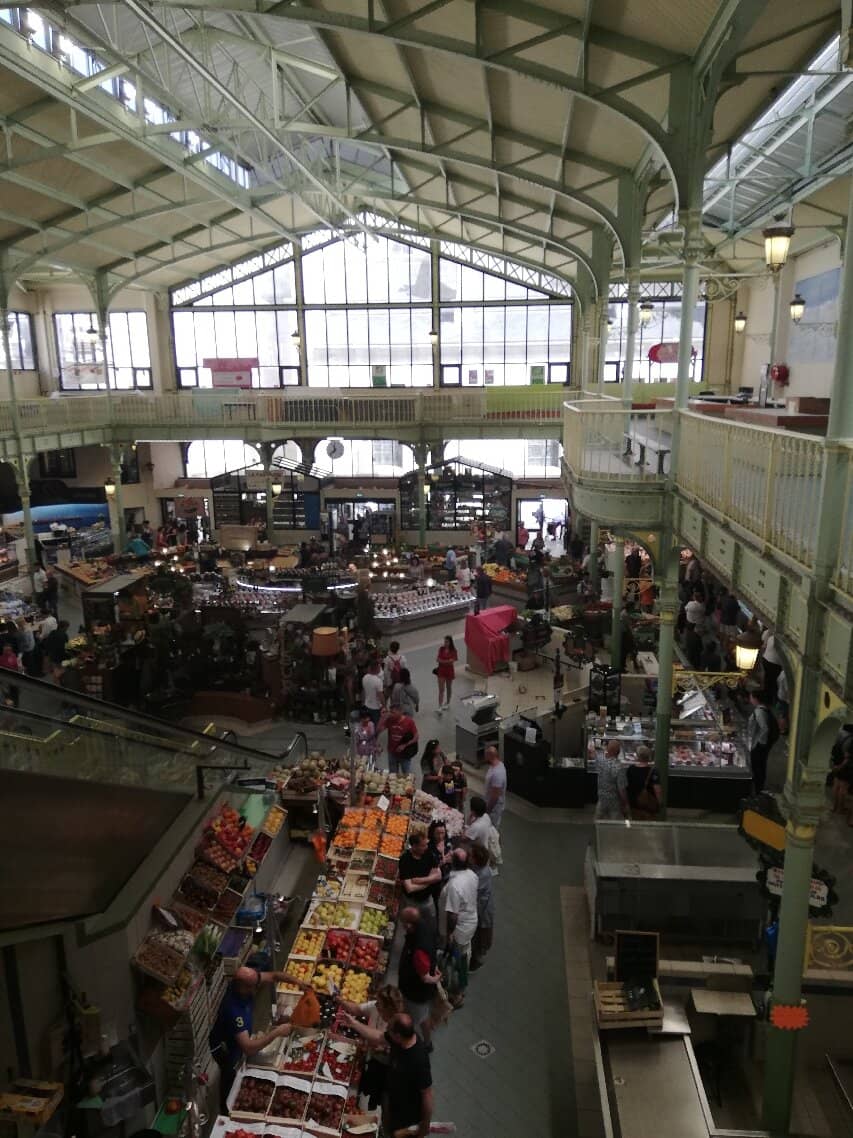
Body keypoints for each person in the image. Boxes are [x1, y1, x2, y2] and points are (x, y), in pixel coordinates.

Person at [209, 965, 295, 1109]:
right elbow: (248, 1048)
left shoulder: (248, 982)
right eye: (251, 987)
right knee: (230, 1079)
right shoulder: (233, 1010)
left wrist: (300, 983)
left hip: (240, 1040)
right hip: (227, 1049)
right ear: (241, 986)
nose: (255, 990)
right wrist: (277, 1032)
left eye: (256, 985)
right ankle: (225, 1110)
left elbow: (274, 975)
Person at [353, 1013, 433, 1138]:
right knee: (388, 1129)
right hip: (393, 1099)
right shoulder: (402, 1039)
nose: (386, 1030)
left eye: (389, 1029)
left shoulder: (419, 1060)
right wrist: (353, 1023)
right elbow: (378, 1036)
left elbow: (427, 1094)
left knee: (397, 1134)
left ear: (397, 1036)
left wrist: (425, 1124)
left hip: (407, 1112)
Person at [338, 985, 404, 1109]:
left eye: (379, 1004)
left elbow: (385, 1040)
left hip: (387, 1065)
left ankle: (376, 1108)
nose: (376, 1005)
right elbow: (357, 1009)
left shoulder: (398, 1024)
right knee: (368, 1082)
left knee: (380, 1092)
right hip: (373, 1056)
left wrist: (384, 1049)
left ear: (389, 1008)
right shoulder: (376, 1007)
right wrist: (340, 1000)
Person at [438, 848, 479, 1005]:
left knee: (460, 959)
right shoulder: (472, 875)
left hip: (459, 930)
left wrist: (449, 934)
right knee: (460, 955)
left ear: (454, 862)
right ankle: (453, 982)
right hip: (469, 922)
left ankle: (458, 992)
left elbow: (453, 915)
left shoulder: (455, 885)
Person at [397, 906, 441, 1045]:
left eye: (403, 923)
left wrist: (435, 978)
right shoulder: (425, 926)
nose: (402, 926)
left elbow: (425, 978)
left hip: (416, 993)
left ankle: (425, 1043)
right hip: (413, 989)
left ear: (409, 925)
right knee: (421, 1016)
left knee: (419, 1019)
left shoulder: (419, 950)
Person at [399, 828, 442, 909]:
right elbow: (409, 888)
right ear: (414, 846)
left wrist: (418, 880)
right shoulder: (405, 860)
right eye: (423, 845)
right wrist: (430, 881)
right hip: (411, 902)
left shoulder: (428, 853)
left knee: (431, 920)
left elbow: (439, 876)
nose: (426, 847)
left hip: (428, 900)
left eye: (426, 844)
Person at [469, 842, 494, 971]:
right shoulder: (482, 869)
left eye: (471, 856)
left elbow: (474, 895)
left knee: (478, 938)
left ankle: (474, 962)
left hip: (481, 911)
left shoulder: (481, 875)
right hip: (481, 907)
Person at [746, 687, 776, 795]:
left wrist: (760, 744)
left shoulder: (759, 712)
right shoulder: (764, 709)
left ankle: (758, 790)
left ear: (755, 698)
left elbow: (765, 728)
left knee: (758, 766)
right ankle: (758, 787)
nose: (750, 699)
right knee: (760, 766)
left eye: (751, 697)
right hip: (760, 744)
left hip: (759, 745)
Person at [625, 744, 661, 820]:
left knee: (636, 825)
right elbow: (657, 790)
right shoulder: (653, 771)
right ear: (649, 757)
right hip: (648, 805)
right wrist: (660, 802)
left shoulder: (630, 769)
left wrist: (626, 803)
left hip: (634, 804)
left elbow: (626, 787)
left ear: (637, 756)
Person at [594, 740, 628, 820]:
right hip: (614, 802)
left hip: (601, 799)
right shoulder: (619, 768)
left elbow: (594, 754)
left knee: (599, 822)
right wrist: (625, 804)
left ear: (607, 749)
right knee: (614, 825)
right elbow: (622, 789)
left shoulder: (600, 761)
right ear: (619, 752)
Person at [384, 706, 419, 775]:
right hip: (392, 752)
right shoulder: (390, 720)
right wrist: (382, 718)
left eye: (393, 712)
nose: (391, 714)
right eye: (390, 712)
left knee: (406, 775)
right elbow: (378, 730)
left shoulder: (409, 722)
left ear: (400, 712)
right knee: (392, 775)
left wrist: (405, 745)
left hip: (404, 754)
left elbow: (416, 737)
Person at [427, 819, 453, 904]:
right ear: (432, 833)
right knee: (437, 896)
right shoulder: (429, 848)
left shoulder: (447, 841)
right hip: (436, 880)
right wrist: (443, 861)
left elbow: (451, 851)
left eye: (442, 833)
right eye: (438, 833)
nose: (440, 836)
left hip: (448, 875)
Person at [483, 745, 507, 830]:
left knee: (491, 829)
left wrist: (487, 811)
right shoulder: (496, 765)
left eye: (485, 754)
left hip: (493, 808)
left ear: (490, 756)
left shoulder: (497, 773)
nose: (484, 756)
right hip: (488, 801)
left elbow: (495, 796)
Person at [761, 627, 783, 705]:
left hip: (766, 660)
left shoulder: (771, 637)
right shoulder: (781, 641)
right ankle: (770, 700)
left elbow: (764, 645)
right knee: (773, 683)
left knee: (767, 681)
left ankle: (767, 699)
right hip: (775, 664)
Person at [435, 634, 457, 712]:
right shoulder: (441, 649)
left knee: (449, 688)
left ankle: (447, 703)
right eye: (444, 641)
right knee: (441, 689)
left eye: (447, 641)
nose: (445, 643)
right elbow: (437, 659)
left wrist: (442, 661)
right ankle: (440, 706)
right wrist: (447, 661)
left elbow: (452, 662)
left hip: (449, 672)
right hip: (441, 671)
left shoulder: (453, 651)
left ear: (450, 642)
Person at [361, 658, 384, 727]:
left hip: (367, 705)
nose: (380, 669)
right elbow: (380, 695)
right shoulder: (378, 681)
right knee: (376, 726)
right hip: (375, 708)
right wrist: (384, 706)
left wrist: (363, 702)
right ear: (376, 668)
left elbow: (364, 691)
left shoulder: (364, 677)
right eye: (379, 667)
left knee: (368, 725)